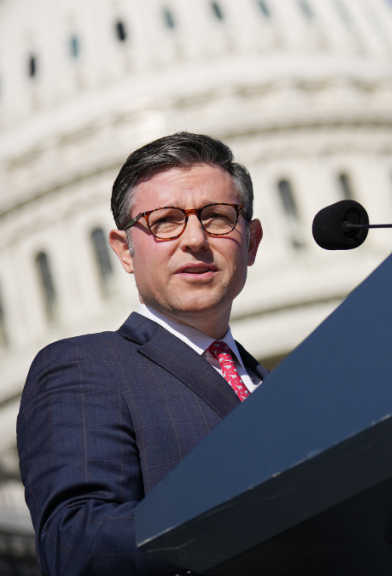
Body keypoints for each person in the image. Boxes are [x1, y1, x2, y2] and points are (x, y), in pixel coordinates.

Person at [17, 132, 268, 575]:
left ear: (250, 241)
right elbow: (76, 543)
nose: (194, 239)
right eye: (165, 221)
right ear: (124, 250)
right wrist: (264, 517)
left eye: (217, 217)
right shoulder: (86, 368)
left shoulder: (282, 390)